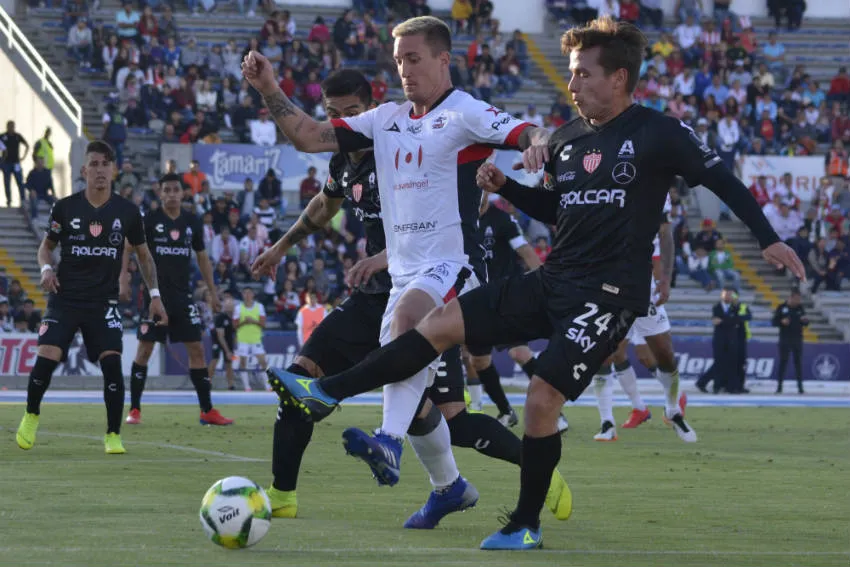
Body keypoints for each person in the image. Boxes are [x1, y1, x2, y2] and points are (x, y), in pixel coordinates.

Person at [261, 17, 804, 550]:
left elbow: (720, 177)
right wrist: (507, 187)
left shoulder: (657, 131)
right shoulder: (568, 139)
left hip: (610, 294)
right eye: (569, 73)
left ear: (618, 77)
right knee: (440, 325)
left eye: (583, 74)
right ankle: (332, 397)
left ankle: (523, 522)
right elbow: (556, 208)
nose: (572, 85)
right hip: (553, 279)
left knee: (542, 399)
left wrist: (767, 237)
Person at [245, 15, 558, 516]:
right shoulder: (385, 119)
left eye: (414, 58)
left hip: (451, 265)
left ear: (442, 59)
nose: (406, 69)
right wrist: (267, 86)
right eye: (398, 60)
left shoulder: (463, 113)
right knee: (402, 355)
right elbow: (306, 135)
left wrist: (539, 139)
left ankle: (367, 427)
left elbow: (525, 130)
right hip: (404, 273)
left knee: (411, 327)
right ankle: (423, 468)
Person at [15, 140, 167, 455]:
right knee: (47, 355)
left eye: (105, 164)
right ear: (84, 171)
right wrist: (45, 269)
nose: (99, 170)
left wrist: (154, 295)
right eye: (94, 164)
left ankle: (113, 434)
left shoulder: (127, 212)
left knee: (112, 363)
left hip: (103, 303)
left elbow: (143, 255)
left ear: (113, 170)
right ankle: (31, 414)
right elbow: (46, 247)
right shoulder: (65, 207)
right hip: (66, 298)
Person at [124, 174, 233, 426]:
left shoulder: (191, 221)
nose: (172, 194)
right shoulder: (150, 220)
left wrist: (213, 292)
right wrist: (123, 279)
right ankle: (135, 409)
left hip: (183, 298)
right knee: (144, 350)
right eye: (167, 190)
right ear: (160, 193)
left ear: (183, 193)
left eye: (176, 190)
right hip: (155, 297)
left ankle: (207, 411)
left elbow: (203, 258)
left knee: (196, 349)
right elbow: (129, 248)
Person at [593, 195, 695, 443]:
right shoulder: (604, 179)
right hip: (608, 282)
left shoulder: (656, 188)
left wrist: (664, 280)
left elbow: (664, 237)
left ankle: (672, 408)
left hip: (644, 283)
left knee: (662, 355)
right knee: (606, 355)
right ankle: (608, 422)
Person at [464, 193, 549, 429]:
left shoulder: (502, 220)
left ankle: (554, 402)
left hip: (506, 297)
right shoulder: (463, 217)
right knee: (478, 360)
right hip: (477, 299)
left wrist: (545, 283)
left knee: (519, 353)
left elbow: (526, 252)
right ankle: (506, 411)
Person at [772, 289, 808, 394]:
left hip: (797, 339)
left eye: (799, 299)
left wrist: (805, 321)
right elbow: (774, 322)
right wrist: (781, 322)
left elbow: (806, 322)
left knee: (798, 363)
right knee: (783, 362)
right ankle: (779, 387)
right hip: (785, 339)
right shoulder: (782, 307)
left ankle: (800, 387)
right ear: (791, 298)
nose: (798, 301)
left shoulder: (800, 308)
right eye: (796, 299)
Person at [234, 287, 267, 392]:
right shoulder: (238, 308)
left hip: (256, 338)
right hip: (243, 339)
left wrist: (253, 321)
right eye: (245, 293)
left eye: (249, 293)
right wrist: (244, 322)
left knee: (263, 362)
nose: (247, 295)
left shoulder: (259, 307)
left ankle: (267, 386)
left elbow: (263, 324)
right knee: (243, 362)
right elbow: (234, 325)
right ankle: (247, 387)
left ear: (253, 295)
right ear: (243, 295)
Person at [209, 295, 237, 391]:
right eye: (227, 305)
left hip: (228, 342)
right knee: (214, 360)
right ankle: (208, 382)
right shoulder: (220, 317)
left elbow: (234, 333)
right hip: (218, 341)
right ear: (224, 306)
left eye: (231, 305)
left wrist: (232, 348)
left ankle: (231, 384)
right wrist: (227, 351)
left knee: (229, 363)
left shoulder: (233, 317)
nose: (229, 307)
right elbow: (220, 336)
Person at [0, 120, 29, 207]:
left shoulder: (17, 136)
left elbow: (27, 145)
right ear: (7, 127)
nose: (11, 128)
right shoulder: (2, 136)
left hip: (16, 163)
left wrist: (23, 157)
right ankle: (9, 201)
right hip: (6, 163)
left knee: (20, 182)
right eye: (10, 126)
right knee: (7, 183)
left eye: (13, 126)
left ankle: (23, 200)